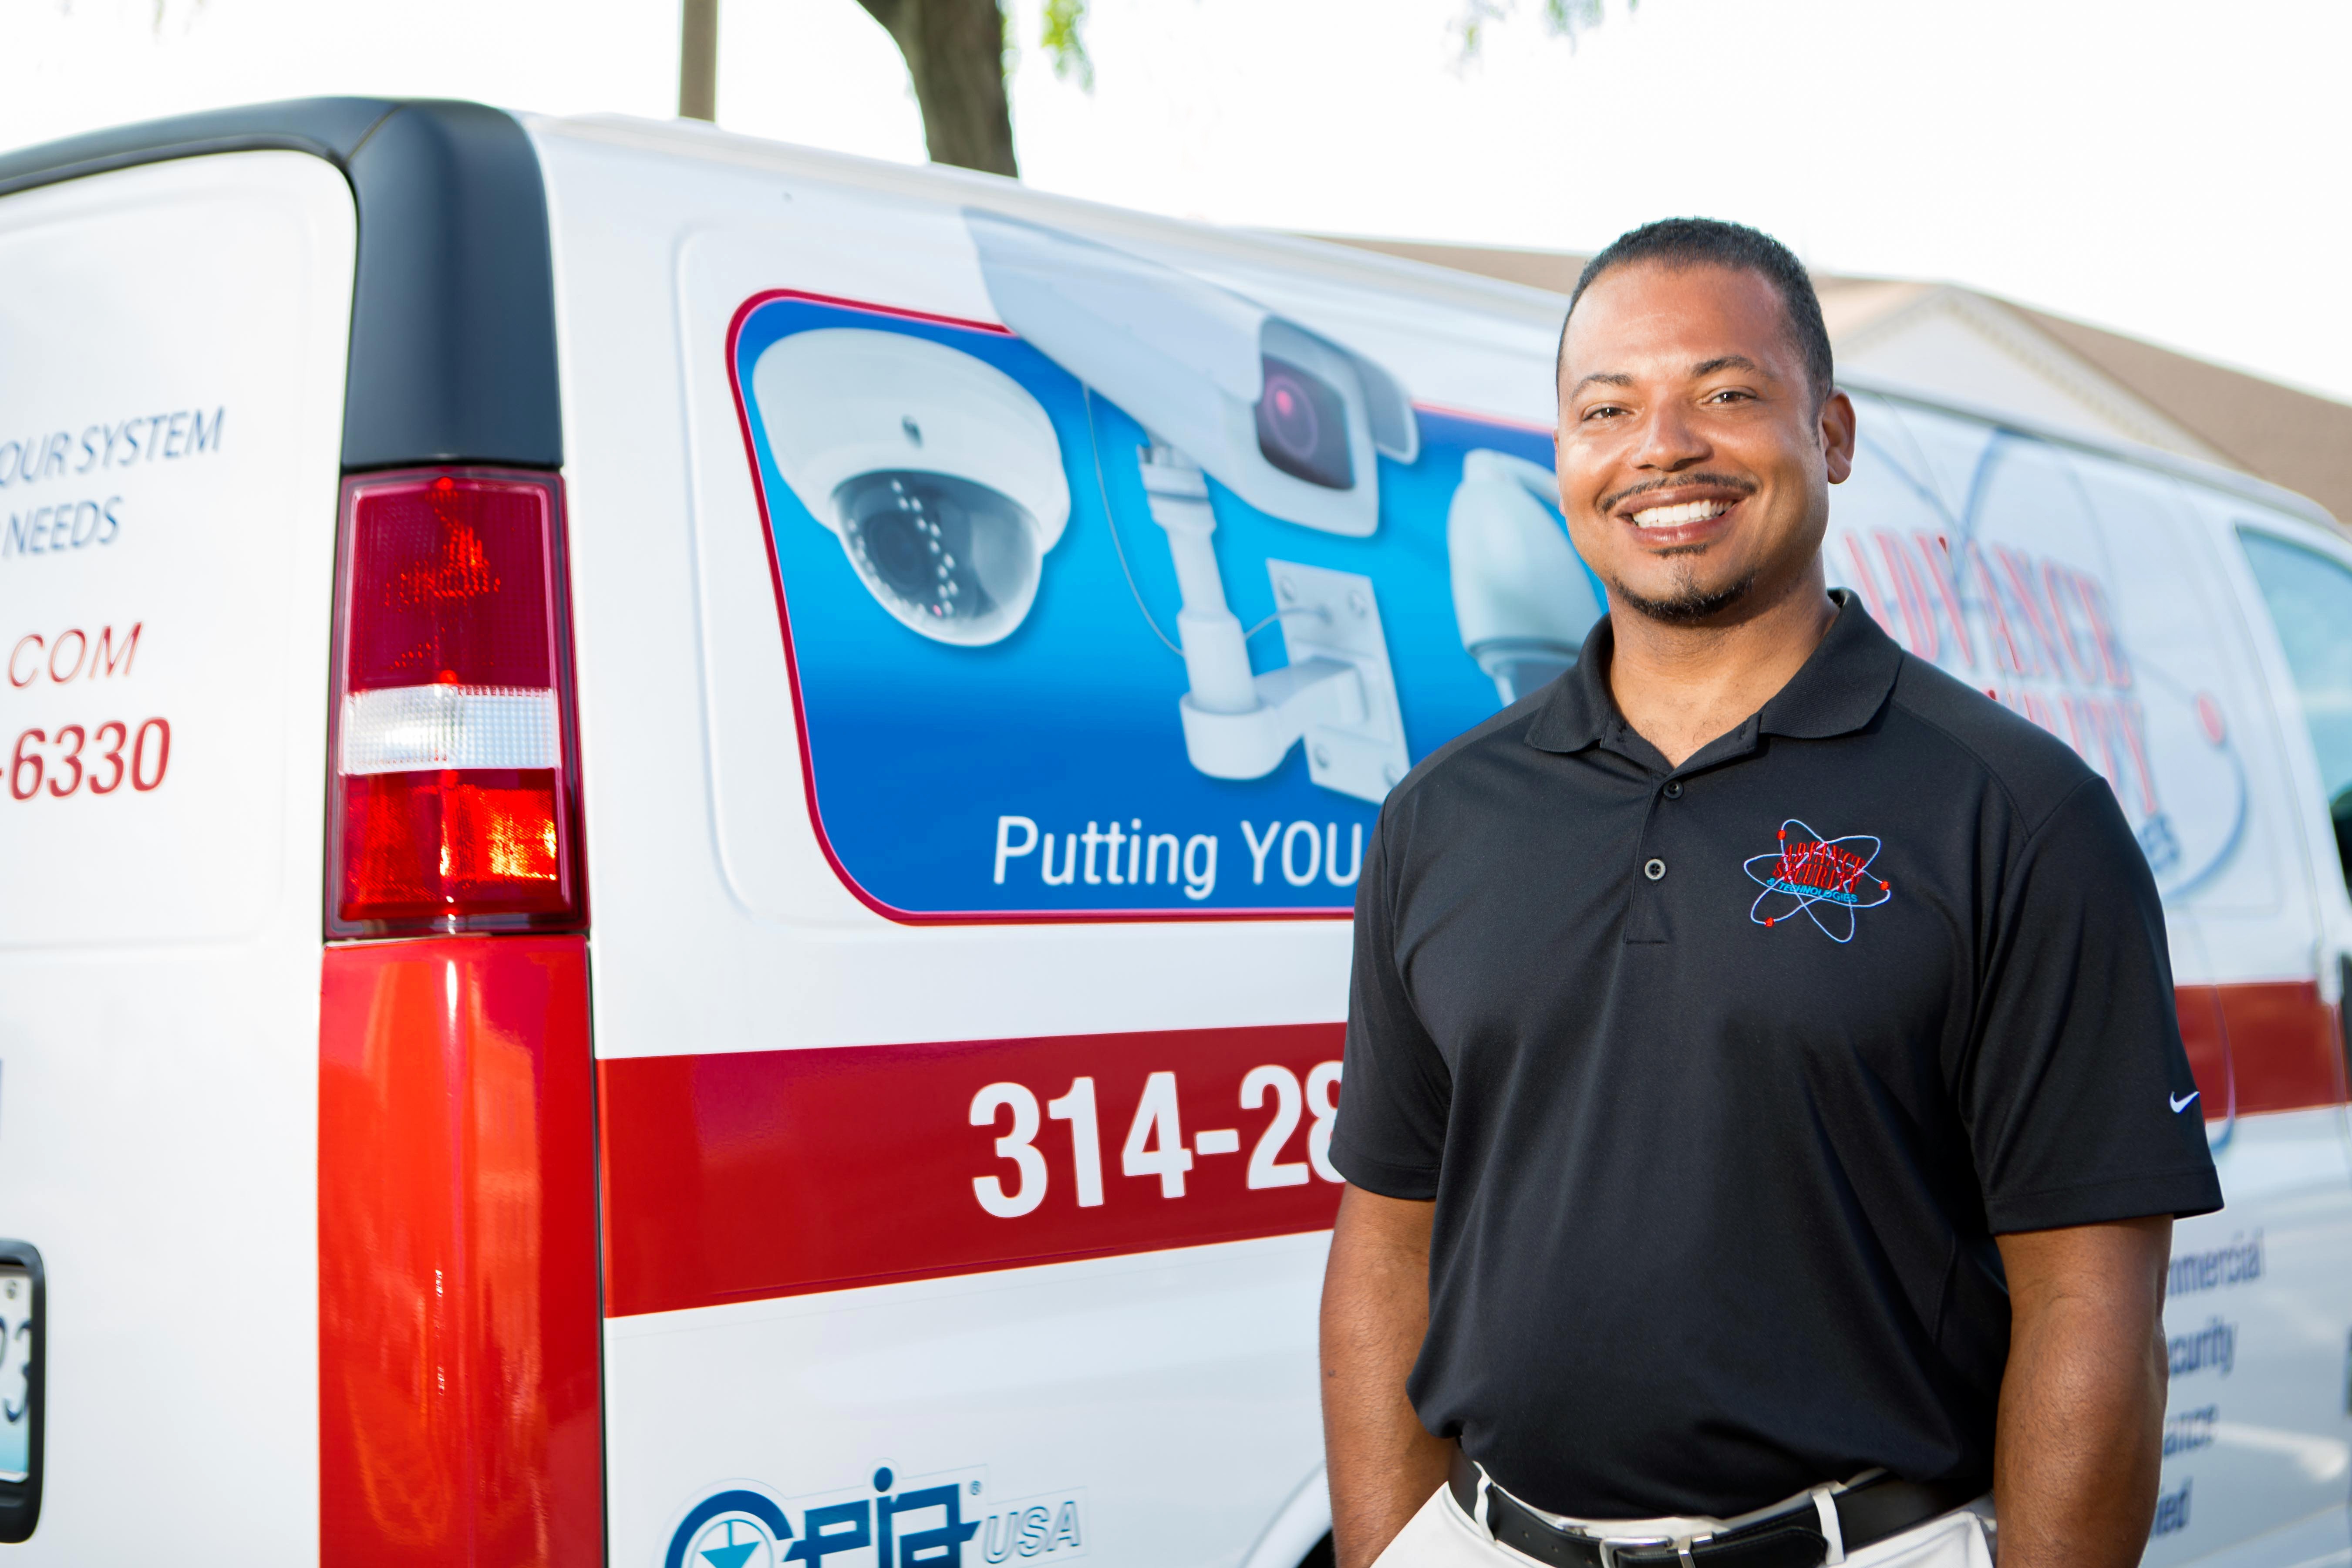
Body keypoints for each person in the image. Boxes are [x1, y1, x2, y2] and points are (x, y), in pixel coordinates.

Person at [1320, 218, 2220, 1568]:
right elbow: (1387, 1241)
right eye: (1606, 408)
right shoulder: (1438, 819)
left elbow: (2090, 1303)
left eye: (1726, 393)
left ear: (1833, 435)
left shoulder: (2015, 813)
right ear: (1561, 456)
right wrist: (1394, 1550)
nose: (1661, 445)